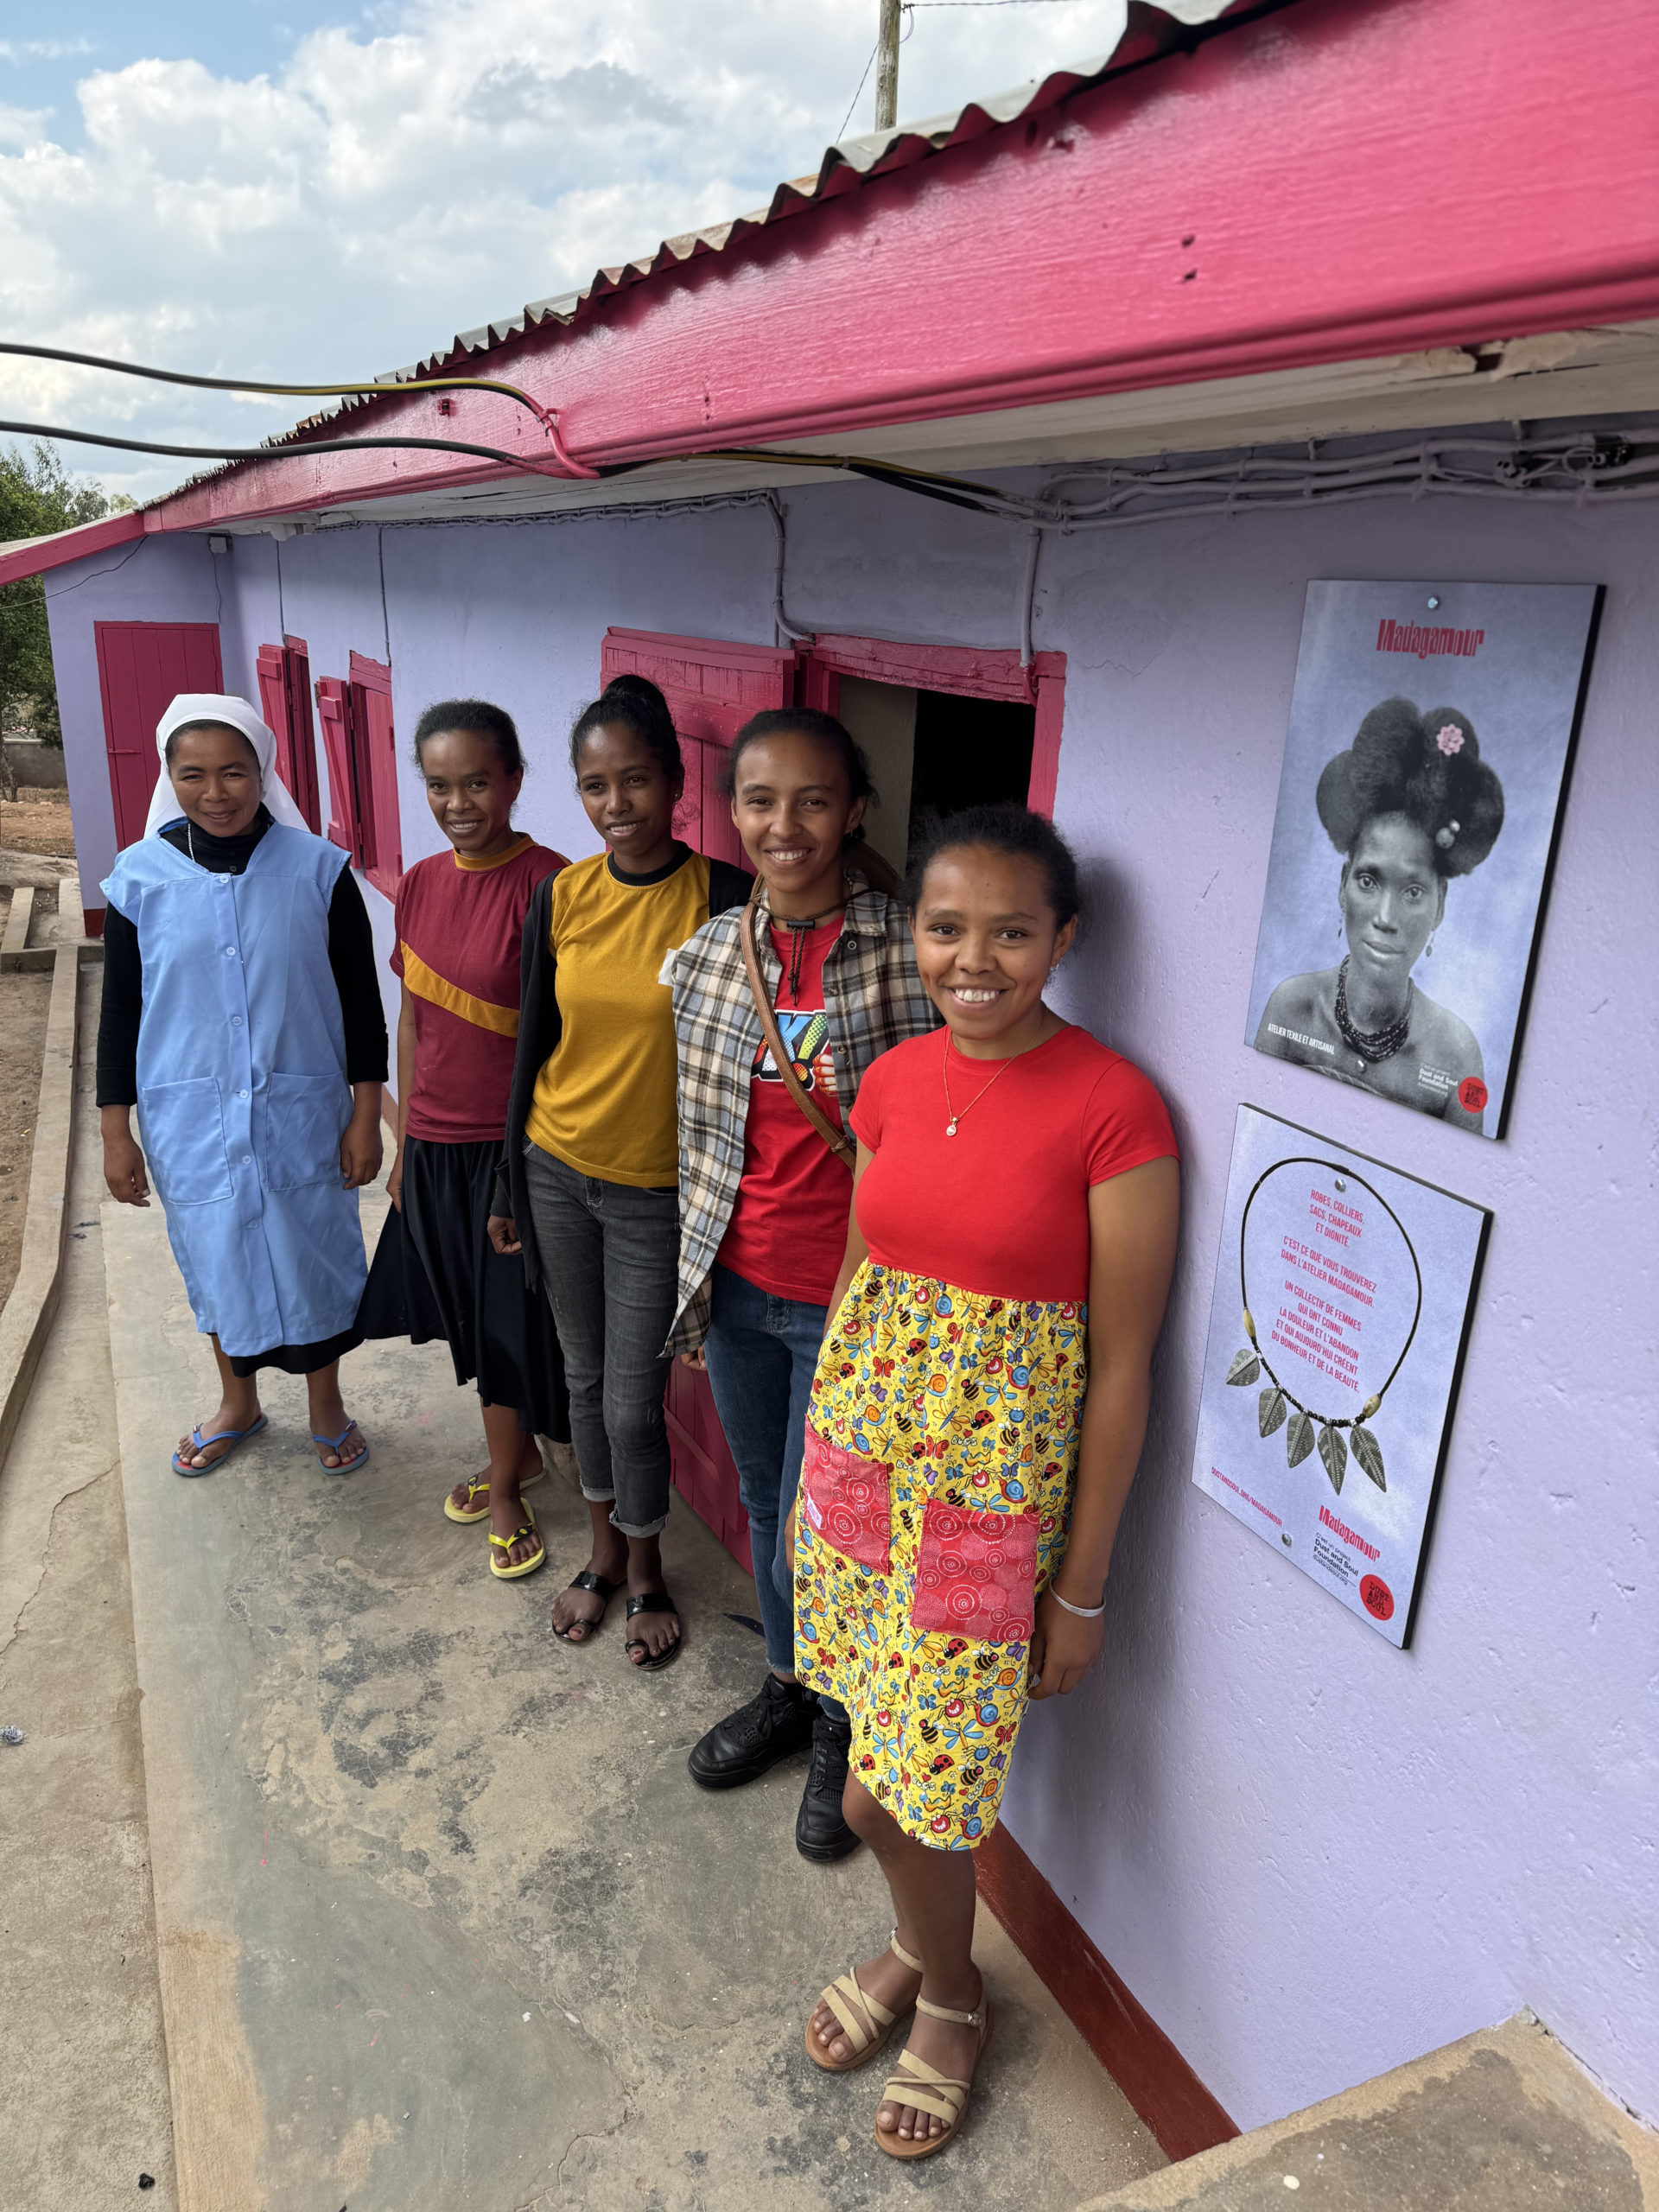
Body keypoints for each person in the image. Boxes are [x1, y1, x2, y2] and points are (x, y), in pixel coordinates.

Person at [795, 804, 1179, 2159]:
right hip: (859, 1477)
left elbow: (1121, 1372)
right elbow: (862, 1270)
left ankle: (953, 1997)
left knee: (898, 1793)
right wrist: (817, 1469)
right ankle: (919, 1946)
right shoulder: (894, 1078)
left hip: (983, 1515)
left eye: (1011, 933)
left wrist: (1082, 1591)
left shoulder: (1115, 1109)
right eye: (947, 928)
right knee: (874, 1755)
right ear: (914, 932)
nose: (975, 960)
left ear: (1063, 941)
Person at [667, 709, 938, 1859]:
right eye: (761, 800)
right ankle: (788, 1684)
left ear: (856, 810)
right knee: (767, 1500)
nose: (786, 825)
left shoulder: (911, 954)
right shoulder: (703, 959)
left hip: (854, 1307)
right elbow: (695, 1138)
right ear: (732, 812)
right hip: (736, 1290)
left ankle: (841, 1721)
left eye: (814, 800)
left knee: (826, 1533)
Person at [489, 674, 751, 1667]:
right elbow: (533, 1044)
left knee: (635, 1400)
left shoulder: (725, 898)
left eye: (635, 779)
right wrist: (509, 1181)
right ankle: (602, 1552)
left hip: (655, 1196)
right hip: (556, 1169)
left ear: (676, 782)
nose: (616, 804)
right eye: (595, 785)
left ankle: (647, 1567)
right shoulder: (562, 894)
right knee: (585, 1377)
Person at [99, 694, 387, 1474]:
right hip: (189, 1118)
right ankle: (239, 1404)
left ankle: (326, 1404)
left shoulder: (318, 870)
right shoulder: (139, 880)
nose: (215, 792)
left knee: (314, 1255)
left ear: (263, 773)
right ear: (169, 777)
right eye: (192, 774)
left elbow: (362, 1006)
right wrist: (116, 1132)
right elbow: (120, 1015)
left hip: (302, 1111)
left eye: (234, 772)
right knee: (217, 1255)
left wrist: (367, 1117)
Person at [357, 700, 571, 1580]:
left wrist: (527, 1165)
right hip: (436, 1142)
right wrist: (405, 1140)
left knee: (505, 1328)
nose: (457, 803)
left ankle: (509, 1484)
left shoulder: (552, 885)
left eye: (476, 783)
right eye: (439, 786)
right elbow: (413, 1018)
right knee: (466, 1321)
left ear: (514, 779)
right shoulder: (418, 883)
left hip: (509, 1148)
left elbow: (565, 1038)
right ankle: (517, 1455)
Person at [1254, 697, 1505, 1131]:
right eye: (1369, 881)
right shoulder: (1292, 1009)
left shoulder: (1456, 1057)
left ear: (1440, 905)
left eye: (1413, 892)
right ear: (1343, 884)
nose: (1386, 917)